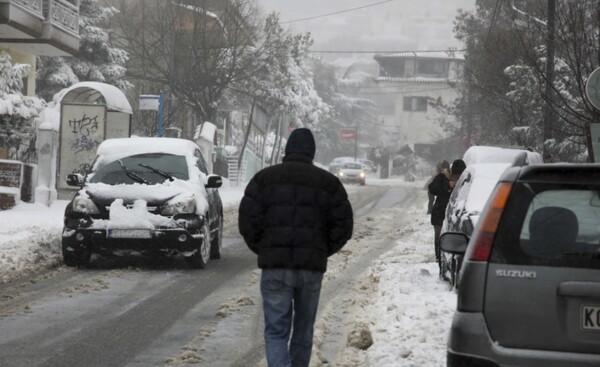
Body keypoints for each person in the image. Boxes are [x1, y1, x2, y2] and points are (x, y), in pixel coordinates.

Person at [238, 128, 354, 367]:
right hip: (311, 269)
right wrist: (321, 250)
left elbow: (247, 220)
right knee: (303, 331)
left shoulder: (263, 179)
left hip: (275, 268)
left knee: (276, 332)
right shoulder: (329, 184)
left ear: (287, 150)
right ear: (312, 152)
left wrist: (264, 249)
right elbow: (344, 226)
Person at [428, 159, 466, 278]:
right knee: (439, 238)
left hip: (454, 216)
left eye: (459, 176)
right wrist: (447, 185)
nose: (456, 178)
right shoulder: (442, 177)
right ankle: (439, 260)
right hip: (440, 214)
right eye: (455, 176)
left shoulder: (465, 180)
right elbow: (432, 189)